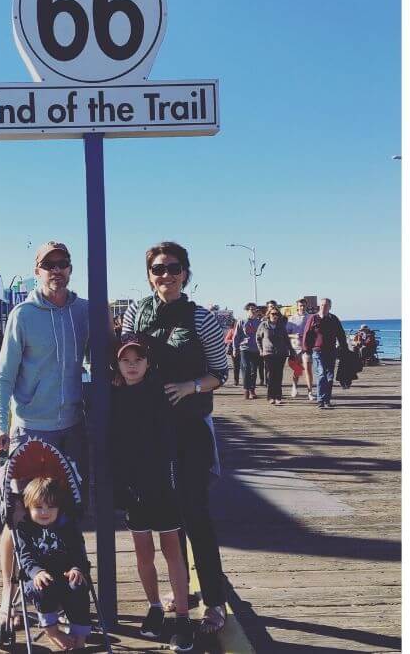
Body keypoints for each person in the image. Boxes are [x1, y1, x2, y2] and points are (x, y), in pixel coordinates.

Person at [121, 241, 230, 636]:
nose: (164, 275)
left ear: (185, 272)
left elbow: (221, 371)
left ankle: (215, 601)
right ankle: (182, 593)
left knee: (195, 514)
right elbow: (125, 358)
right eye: (157, 269)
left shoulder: (201, 318)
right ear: (149, 274)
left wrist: (190, 386)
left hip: (188, 427)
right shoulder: (137, 311)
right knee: (167, 519)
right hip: (150, 430)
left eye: (172, 268)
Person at [0, 241, 91, 638]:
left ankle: (61, 593)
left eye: (63, 264)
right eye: (49, 265)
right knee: (18, 519)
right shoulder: (22, 314)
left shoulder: (83, 312)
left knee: (64, 516)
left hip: (72, 428)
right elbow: (3, 377)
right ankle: (7, 598)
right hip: (29, 428)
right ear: (37, 270)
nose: (57, 271)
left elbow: (106, 360)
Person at [111, 334, 194, 652]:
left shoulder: (161, 391)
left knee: (172, 549)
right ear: (117, 364)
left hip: (162, 484)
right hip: (133, 488)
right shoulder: (115, 395)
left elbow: (172, 441)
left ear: (148, 362)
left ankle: (183, 616)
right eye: (125, 361)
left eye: (138, 360)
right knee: (143, 552)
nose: (132, 366)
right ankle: (155, 606)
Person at [16, 477, 92, 651]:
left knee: (79, 586)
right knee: (43, 586)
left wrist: (76, 568)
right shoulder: (25, 529)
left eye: (51, 507)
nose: (45, 512)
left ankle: (79, 639)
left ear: (59, 508)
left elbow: (78, 552)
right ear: (28, 506)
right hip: (38, 579)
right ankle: (52, 630)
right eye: (38, 507)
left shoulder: (67, 526)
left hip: (66, 575)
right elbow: (25, 557)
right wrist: (37, 572)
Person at [302, 297, 349, 410]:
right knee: (321, 374)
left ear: (330, 307)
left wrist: (344, 349)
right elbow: (306, 334)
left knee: (329, 377)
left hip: (331, 351)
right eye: (322, 305)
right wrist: (306, 350)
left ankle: (327, 399)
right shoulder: (314, 318)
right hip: (317, 351)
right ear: (319, 306)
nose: (324, 307)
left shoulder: (333, 319)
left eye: (326, 305)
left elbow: (341, 335)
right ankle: (320, 400)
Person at [256, 304, 295, 405]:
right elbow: (258, 338)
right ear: (269, 315)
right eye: (273, 314)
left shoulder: (281, 326)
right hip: (268, 353)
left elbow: (286, 339)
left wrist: (291, 350)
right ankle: (270, 396)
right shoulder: (263, 325)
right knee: (271, 375)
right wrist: (261, 350)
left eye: (277, 314)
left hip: (281, 353)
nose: (275, 316)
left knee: (278, 375)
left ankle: (278, 397)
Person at [286, 298, 315, 400]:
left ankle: (310, 392)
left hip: (307, 347)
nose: (302, 307)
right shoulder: (292, 318)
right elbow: (286, 334)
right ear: (297, 307)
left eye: (303, 305)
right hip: (295, 347)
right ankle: (294, 386)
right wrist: (294, 335)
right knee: (297, 370)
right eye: (300, 306)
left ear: (306, 306)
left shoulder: (311, 317)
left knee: (308, 369)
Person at [232, 304, 262, 400]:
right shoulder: (242, 321)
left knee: (254, 370)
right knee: (246, 368)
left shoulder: (259, 322)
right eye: (251, 309)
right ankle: (246, 389)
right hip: (244, 348)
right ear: (247, 310)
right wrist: (234, 348)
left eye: (254, 309)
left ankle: (252, 390)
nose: (253, 311)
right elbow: (236, 336)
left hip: (256, 349)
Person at [224, 318, 240, 386]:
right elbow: (226, 340)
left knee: (245, 367)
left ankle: (247, 381)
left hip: (244, 349)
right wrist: (234, 341)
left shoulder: (243, 329)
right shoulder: (232, 330)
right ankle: (236, 381)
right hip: (234, 350)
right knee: (236, 366)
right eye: (236, 323)